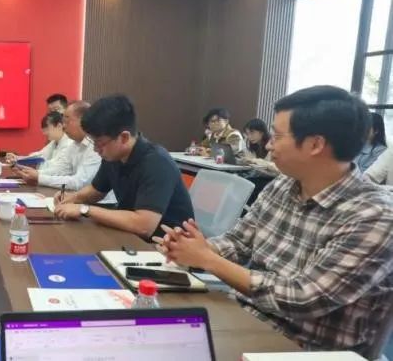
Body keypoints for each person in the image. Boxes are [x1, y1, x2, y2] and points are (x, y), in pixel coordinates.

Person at [154, 86, 393, 356]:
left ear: (315, 145)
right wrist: (194, 248)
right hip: (246, 320)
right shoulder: (283, 185)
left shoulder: (374, 215)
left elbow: (302, 298)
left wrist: (208, 260)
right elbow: (238, 242)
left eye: (277, 136)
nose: (268, 145)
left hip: (303, 349)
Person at [54, 95, 195, 239]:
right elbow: (96, 190)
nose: (96, 149)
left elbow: (144, 226)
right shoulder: (114, 156)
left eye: (100, 143)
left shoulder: (157, 162)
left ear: (124, 137)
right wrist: (72, 198)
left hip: (166, 245)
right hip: (131, 235)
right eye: (93, 142)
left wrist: (84, 209)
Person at [14, 101, 101, 190]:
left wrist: (39, 177)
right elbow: (60, 170)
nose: (64, 126)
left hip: (96, 199)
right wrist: (32, 173)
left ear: (83, 120)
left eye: (67, 121)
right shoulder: (74, 144)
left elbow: (79, 182)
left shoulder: (96, 145)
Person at [6, 112, 73, 176]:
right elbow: (39, 156)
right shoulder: (53, 143)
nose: (44, 133)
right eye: (44, 130)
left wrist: (31, 171)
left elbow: (55, 168)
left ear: (59, 126)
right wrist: (17, 158)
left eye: (47, 129)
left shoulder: (69, 144)